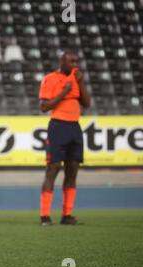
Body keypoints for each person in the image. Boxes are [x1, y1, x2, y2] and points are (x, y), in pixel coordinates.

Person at [38, 50, 91, 226]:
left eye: (76, 61)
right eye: (71, 61)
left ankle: (67, 215)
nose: (74, 64)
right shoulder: (50, 79)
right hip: (58, 126)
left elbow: (87, 103)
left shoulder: (77, 78)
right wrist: (64, 92)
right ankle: (45, 216)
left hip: (74, 127)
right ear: (62, 61)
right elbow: (44, 107)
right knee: (52, 169)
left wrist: (80, 83)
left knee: (72, 170)